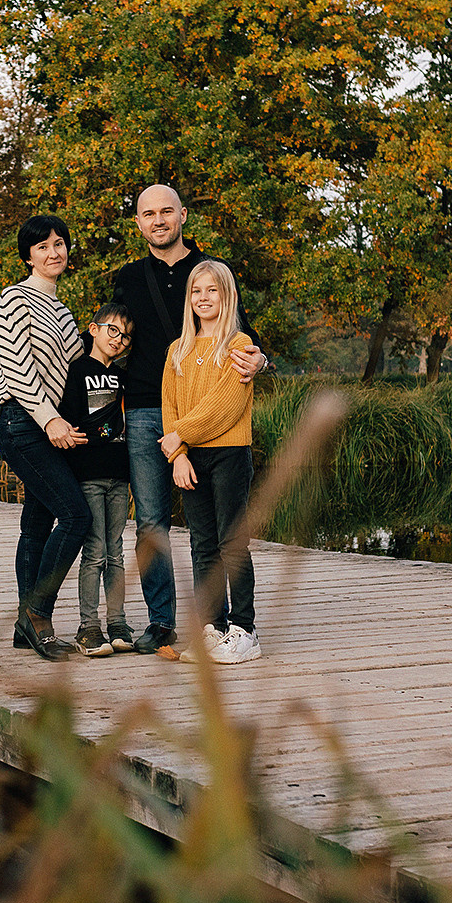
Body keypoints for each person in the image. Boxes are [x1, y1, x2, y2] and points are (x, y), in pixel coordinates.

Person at [107, 184, 265, 655]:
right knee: (152, 521)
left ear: (183, 216)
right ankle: (163, 622)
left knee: (217, 532)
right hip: (144, 410)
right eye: (147, 214)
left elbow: (245, 336)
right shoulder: (129, 278)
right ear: (139, 223)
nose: (158, 220)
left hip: (205, 422)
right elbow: (111, 339)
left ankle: (231, 625)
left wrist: (261, 361)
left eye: (166, 212)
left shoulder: (210, 273)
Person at [0, 215, 91, 660]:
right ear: (27, 255)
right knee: (75, 516)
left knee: (37, 522)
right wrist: (50, 421)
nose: (54, 252)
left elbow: (77, 370)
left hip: (50, 425)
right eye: (43, 246)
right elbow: (17, 368)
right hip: (21, 420)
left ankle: (22, 625)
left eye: (60, 244)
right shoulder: (14, 299)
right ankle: (37, 615)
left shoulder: (65, 314)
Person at [158, 259, 261, 664]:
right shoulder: (177, 350)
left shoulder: (238, 345)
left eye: (212, 290)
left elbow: (224, 406)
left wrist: (178, 436)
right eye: (196, 291)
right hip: (190, 459)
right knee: (202, 546)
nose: (203, 298)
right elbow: (169, 405)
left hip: (230, 455)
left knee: (231, 543)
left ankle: (245, 630)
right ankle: (212, 628)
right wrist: (178, 455)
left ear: (227, 294)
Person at [58, 301, 134, 657]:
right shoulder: (77, 371)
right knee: (95, 553)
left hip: (119, 475)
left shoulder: (122, 376)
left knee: (116, 552)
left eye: (125, 336)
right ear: (94, 329)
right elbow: (74, 420)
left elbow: (124, 423)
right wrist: (100, 430)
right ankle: (89, 627)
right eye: (113, 330)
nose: (118, 340)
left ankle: (117, 622)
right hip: (88, 474)